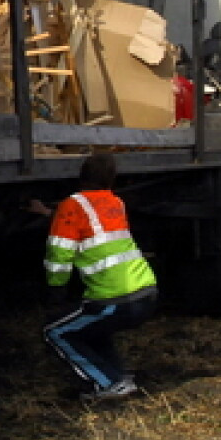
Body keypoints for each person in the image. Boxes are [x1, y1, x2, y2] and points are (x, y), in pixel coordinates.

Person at [30, 151, 159, 403]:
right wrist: (49, 214)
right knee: (94, 329)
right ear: (111, 180)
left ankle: (108, 383)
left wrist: (55, 292)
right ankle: (118, 376)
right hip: (145, 291)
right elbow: (88, 222)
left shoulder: (72, 205)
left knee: (55, 332)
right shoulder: (115, 203)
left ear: (81, 176)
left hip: (114, 298)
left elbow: (59, 253)